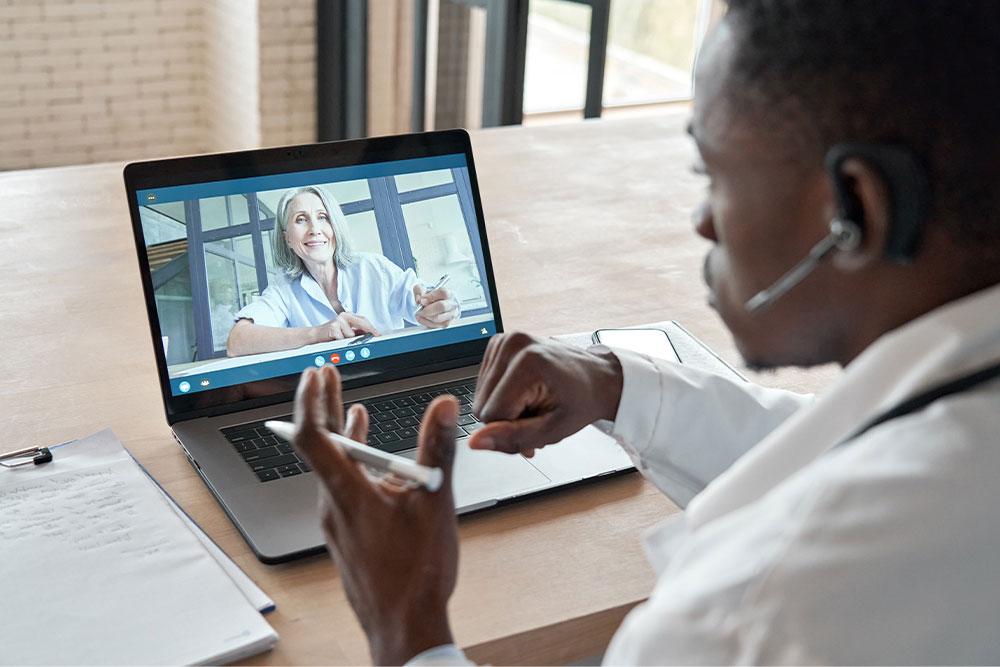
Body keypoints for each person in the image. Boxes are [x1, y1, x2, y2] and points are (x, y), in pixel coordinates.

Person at [289, 0, 1000, 664]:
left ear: (856, 208)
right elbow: (836, 445)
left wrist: (408, 625)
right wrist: (617, 383)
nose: (702, 221)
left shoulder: (764, 609)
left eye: (713, 172)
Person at [226, 185, 460, 357]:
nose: (315, 229)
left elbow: (424, 303)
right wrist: (319, 333)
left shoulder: (374, 267)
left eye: (323, 217)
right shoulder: (283, 288)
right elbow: (237, 341)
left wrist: (440, 308)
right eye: (301, 220)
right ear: (287, 238)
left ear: (335, 227)